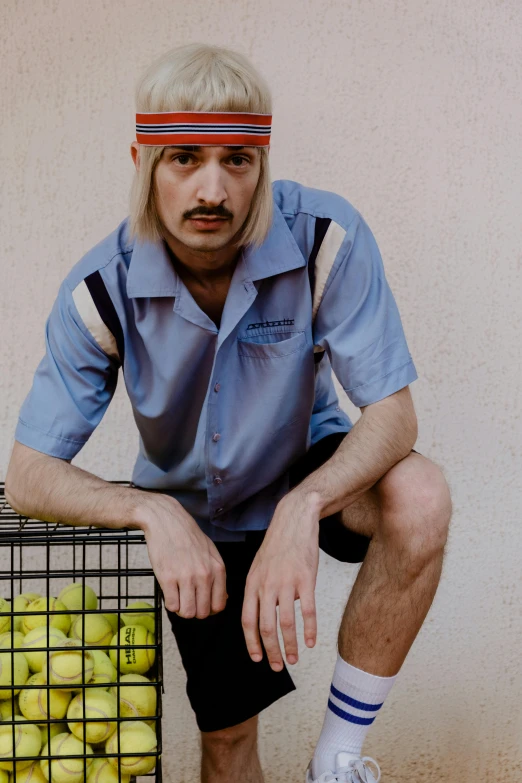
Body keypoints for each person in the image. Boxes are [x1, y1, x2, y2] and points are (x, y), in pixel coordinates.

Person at [5, 43, 452, 783]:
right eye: (185, 156)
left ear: (262, 166)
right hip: (196, 514)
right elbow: (27, 474)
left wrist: (304, 506)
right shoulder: (99, 289)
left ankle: (336, 761)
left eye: (237, 160)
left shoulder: (321, 237)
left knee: (421, 494)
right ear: (143, 161)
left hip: (310, 474)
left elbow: (394, 415)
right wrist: (151, 512)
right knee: (228, 741)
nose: (213, 187)